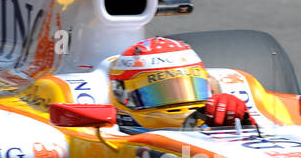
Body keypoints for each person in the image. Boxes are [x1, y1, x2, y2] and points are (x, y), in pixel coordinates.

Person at [108, 37, 254, 131]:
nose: (181, 105)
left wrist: (244, 123)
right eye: (160, 93)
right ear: (121, 96)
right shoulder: (106, 134)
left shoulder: (209, 122)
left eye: (192, 88)